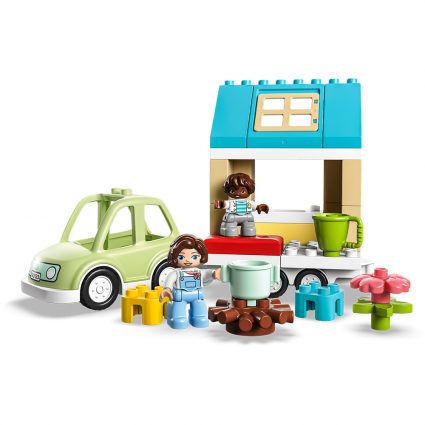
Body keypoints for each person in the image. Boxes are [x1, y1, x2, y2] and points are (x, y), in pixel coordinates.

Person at [159, 234, 220, 329]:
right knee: (178, 311)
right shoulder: (176, 273)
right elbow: (170, 279)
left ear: (201, 257)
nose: (187, 260)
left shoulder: (198, 272)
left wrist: (213, 274)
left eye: (194, 257)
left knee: (199, 307)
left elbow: (206, 274)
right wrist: (167, 289)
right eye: (181, 257)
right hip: (180, 296)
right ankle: (177, 319)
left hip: (197, 295)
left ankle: (199, 317)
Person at [215, 173, 269, 237]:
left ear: (249, 190)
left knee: (249, 229)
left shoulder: (249, 202)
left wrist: (260, 207)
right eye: (232, 191)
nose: (237, 193)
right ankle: (229, 232)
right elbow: (224, 204)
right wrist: (219, 204)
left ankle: (248, 232)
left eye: (242, 191)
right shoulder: (230, 202)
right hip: (232, 217)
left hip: (247, 217)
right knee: (230, 230)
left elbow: (255, 206)